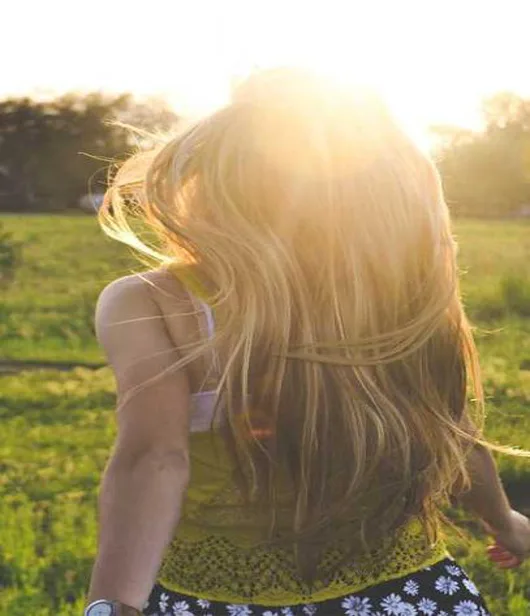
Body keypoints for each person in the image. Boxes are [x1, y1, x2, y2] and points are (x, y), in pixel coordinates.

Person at [85, 69, 530, 616]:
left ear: (214, 179)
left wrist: (114, 603)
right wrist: (504, 522)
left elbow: (154, 458)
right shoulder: (396, 298)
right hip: (407, 595)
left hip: (217, 600)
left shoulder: (151, 300)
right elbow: (452, 429)